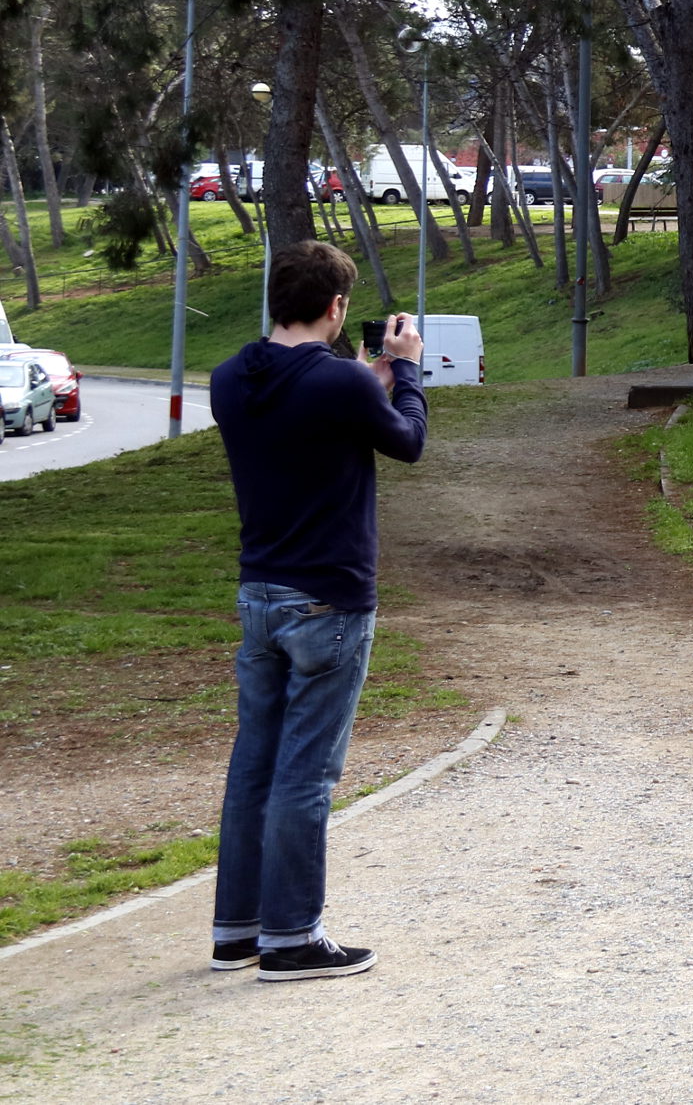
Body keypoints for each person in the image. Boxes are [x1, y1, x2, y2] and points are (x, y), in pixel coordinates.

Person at [206, 240, 425, 981]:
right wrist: (407, 374)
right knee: (306, 774)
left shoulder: (228, 379)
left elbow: (304, 414)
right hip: (329, 597)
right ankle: (293, 937)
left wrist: (364, 380)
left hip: (259, 592)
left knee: (254, 765)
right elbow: (409, 443)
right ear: (337, 308)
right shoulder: (342, 385)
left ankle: (238, 928)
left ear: (276, 299)